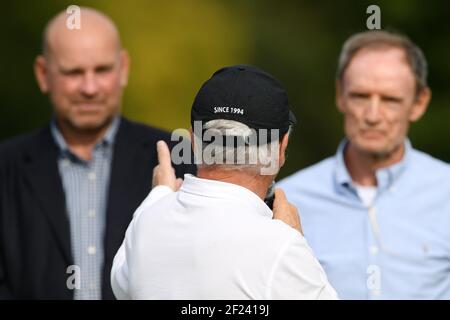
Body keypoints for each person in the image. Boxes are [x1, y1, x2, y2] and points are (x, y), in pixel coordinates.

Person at [0, 7, 194, 299]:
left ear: (124, 69)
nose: (89, 88)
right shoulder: (6, 168)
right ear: (43, 74)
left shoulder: (178, 158)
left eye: (102, 70)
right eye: (73, 72)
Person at [110, 65, 338, 300]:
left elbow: (120, 280)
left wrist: (159, 195)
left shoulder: (147, 223)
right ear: (281, 148)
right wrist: (296, 238)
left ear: (193, 142)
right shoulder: (282, 246)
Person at [278, 30, 450, 299]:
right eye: (360, 96)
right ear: (340, 96)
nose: (372, 116)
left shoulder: (445, 193)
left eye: (390, 100)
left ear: (419, 103)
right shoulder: (287, 201)